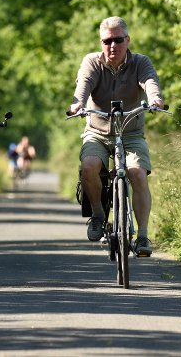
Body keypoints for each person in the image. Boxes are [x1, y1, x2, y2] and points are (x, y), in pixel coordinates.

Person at [68, 16, 165, 257]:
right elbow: (83, 86)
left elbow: (150, 81)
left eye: (118, 40)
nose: (113, 45)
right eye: (107, 41)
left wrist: (154, 99)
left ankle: (142, 236)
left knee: (137, 173)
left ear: (128, 40)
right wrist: (77, 104)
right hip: (97, 132)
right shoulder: (92, 62)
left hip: (131, 132)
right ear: (101, 42)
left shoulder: (140, 62)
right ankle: (99, 216)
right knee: (89, 166)